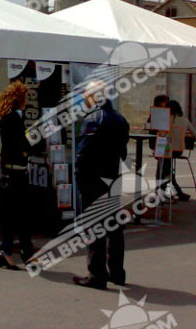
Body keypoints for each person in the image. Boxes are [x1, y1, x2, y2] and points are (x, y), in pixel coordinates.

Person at [73, 80, 130, 290]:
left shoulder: (93, 119)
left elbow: (82, 155)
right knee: (114, 226)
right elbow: (123, 153)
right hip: (113, 178)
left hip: (93, 180)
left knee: (94, 226)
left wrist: (80, 179)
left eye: (87, 96)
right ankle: (117, 271)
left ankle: (97, 274)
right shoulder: (121, 120)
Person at [0, 80, 34, 270]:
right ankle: (12, 251)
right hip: (15, 172)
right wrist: (32, 143)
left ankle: (21, 251)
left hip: (11, 171)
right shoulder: (13, 119)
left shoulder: (8, 117)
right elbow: (21, 144)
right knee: (19, 215)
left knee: (16, 215)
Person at [162, 100, 193, 202]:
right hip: (179, 150)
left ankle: (165, 194)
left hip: (167, 149)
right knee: (166, 170)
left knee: (163, 170)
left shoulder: (166, 119)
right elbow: (194, 133)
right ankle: (176, 192)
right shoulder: (184, 120)